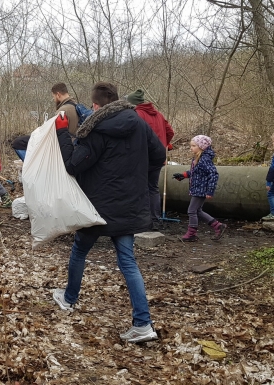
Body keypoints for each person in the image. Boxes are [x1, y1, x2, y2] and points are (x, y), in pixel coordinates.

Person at [51, 82, 160, 344]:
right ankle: (143, 324)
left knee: (79, 250)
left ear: (97, 106)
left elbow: (72, 165)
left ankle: (68, 298)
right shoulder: (139, 124)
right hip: (129, 205)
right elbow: (158, 155)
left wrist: (63, 134)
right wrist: (135, 176)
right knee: (127, 261)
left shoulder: (95, 130)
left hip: (98, 207)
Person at [126, 89, 173, 228]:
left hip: (142, 157)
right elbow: (170, 131)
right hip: (158, 157)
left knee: (138, 187)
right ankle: (154, 218)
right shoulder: (158, 114)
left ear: (133, 103)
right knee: (153, 188)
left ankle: (141, 219)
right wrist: (164, 144)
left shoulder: (136, 114)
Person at [172, 135, 226, 241]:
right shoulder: (198, 158)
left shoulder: (204, 159)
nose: (191, 148)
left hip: (201, 189)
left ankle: (191, 234)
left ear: (201, 147)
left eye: (193, 146)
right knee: (198, 211)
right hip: (197, 188)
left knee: (192, 211)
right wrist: (183, 175)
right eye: (191, 146)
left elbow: (214, 174)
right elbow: (195, 173)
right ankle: (218, 226)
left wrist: (210, 190)